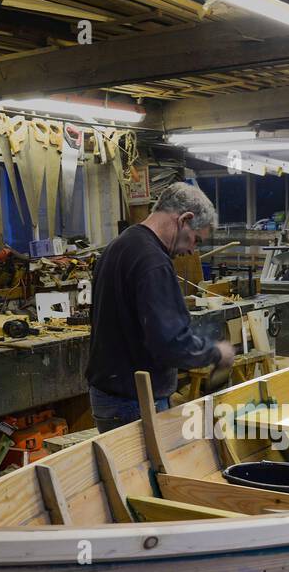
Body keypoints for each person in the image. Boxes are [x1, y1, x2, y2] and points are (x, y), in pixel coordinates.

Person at [85, 181, 235, 432]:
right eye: (195, 240)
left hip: (109, 395)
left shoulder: (118, 246)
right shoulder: (152, 261)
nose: (191, 251)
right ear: (184, 219)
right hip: (135, 402)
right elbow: (171, 343)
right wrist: (216, 352)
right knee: (152, 471)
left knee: (124, 473)